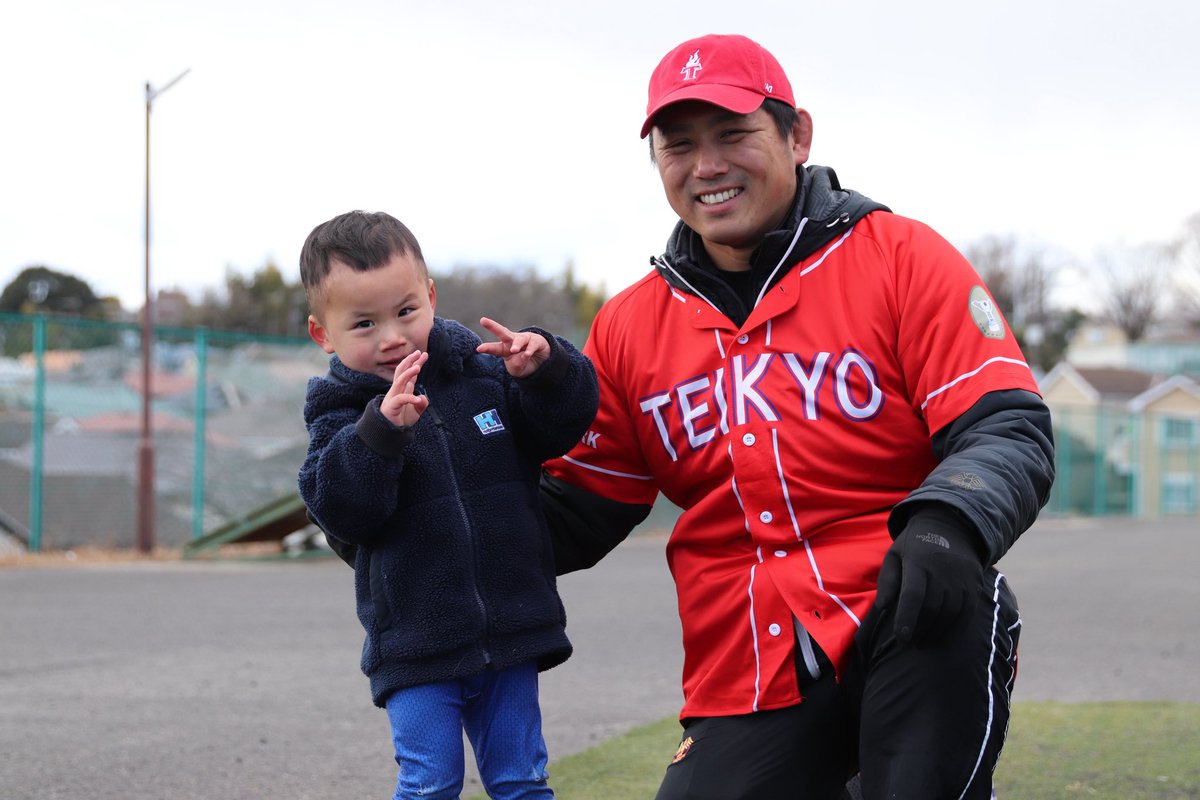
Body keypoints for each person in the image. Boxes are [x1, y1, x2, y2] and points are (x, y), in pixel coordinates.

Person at [540, 34, 1055, 800]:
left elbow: (1008, 424)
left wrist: (949, 522)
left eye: (734, 134)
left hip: (910, 616)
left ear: (798, 134)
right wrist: (413, 519)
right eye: (679, 146)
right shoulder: (626, 327)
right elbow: (577, 510)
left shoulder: (899, 256)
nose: (707, 165)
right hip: (750, 668)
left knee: (946, 604)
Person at [297, 210, 598, 800]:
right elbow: (339, 508)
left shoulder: (483, 373)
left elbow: (564, 426)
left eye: (406, 311)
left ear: (430, 296)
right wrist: (379, 434)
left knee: (521, 780)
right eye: (363, 323)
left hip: (511, 625)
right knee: (431, 782)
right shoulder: (337, 410)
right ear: (323, 335)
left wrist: (546, 371)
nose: (393, 337)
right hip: (415, 644)